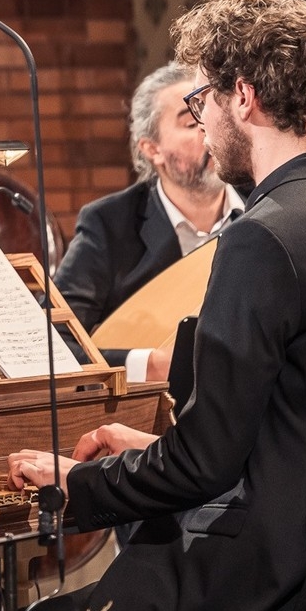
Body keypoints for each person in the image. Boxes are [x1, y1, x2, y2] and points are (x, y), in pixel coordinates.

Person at [9, 0, 306, 611]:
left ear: (242, 96)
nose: (205, 122)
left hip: (280, 575)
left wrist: (81, 481)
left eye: (202, 100)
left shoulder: (261, 237)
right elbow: (301, 419)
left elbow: (204, 466)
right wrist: (149, 447)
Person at [54, 61, 242, 380]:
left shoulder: (264, 205)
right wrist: (149, 365)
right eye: (190, 122)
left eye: (212, 113)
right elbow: (50, 341)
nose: (209, 129)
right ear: (152, 149)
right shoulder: (109, 225)